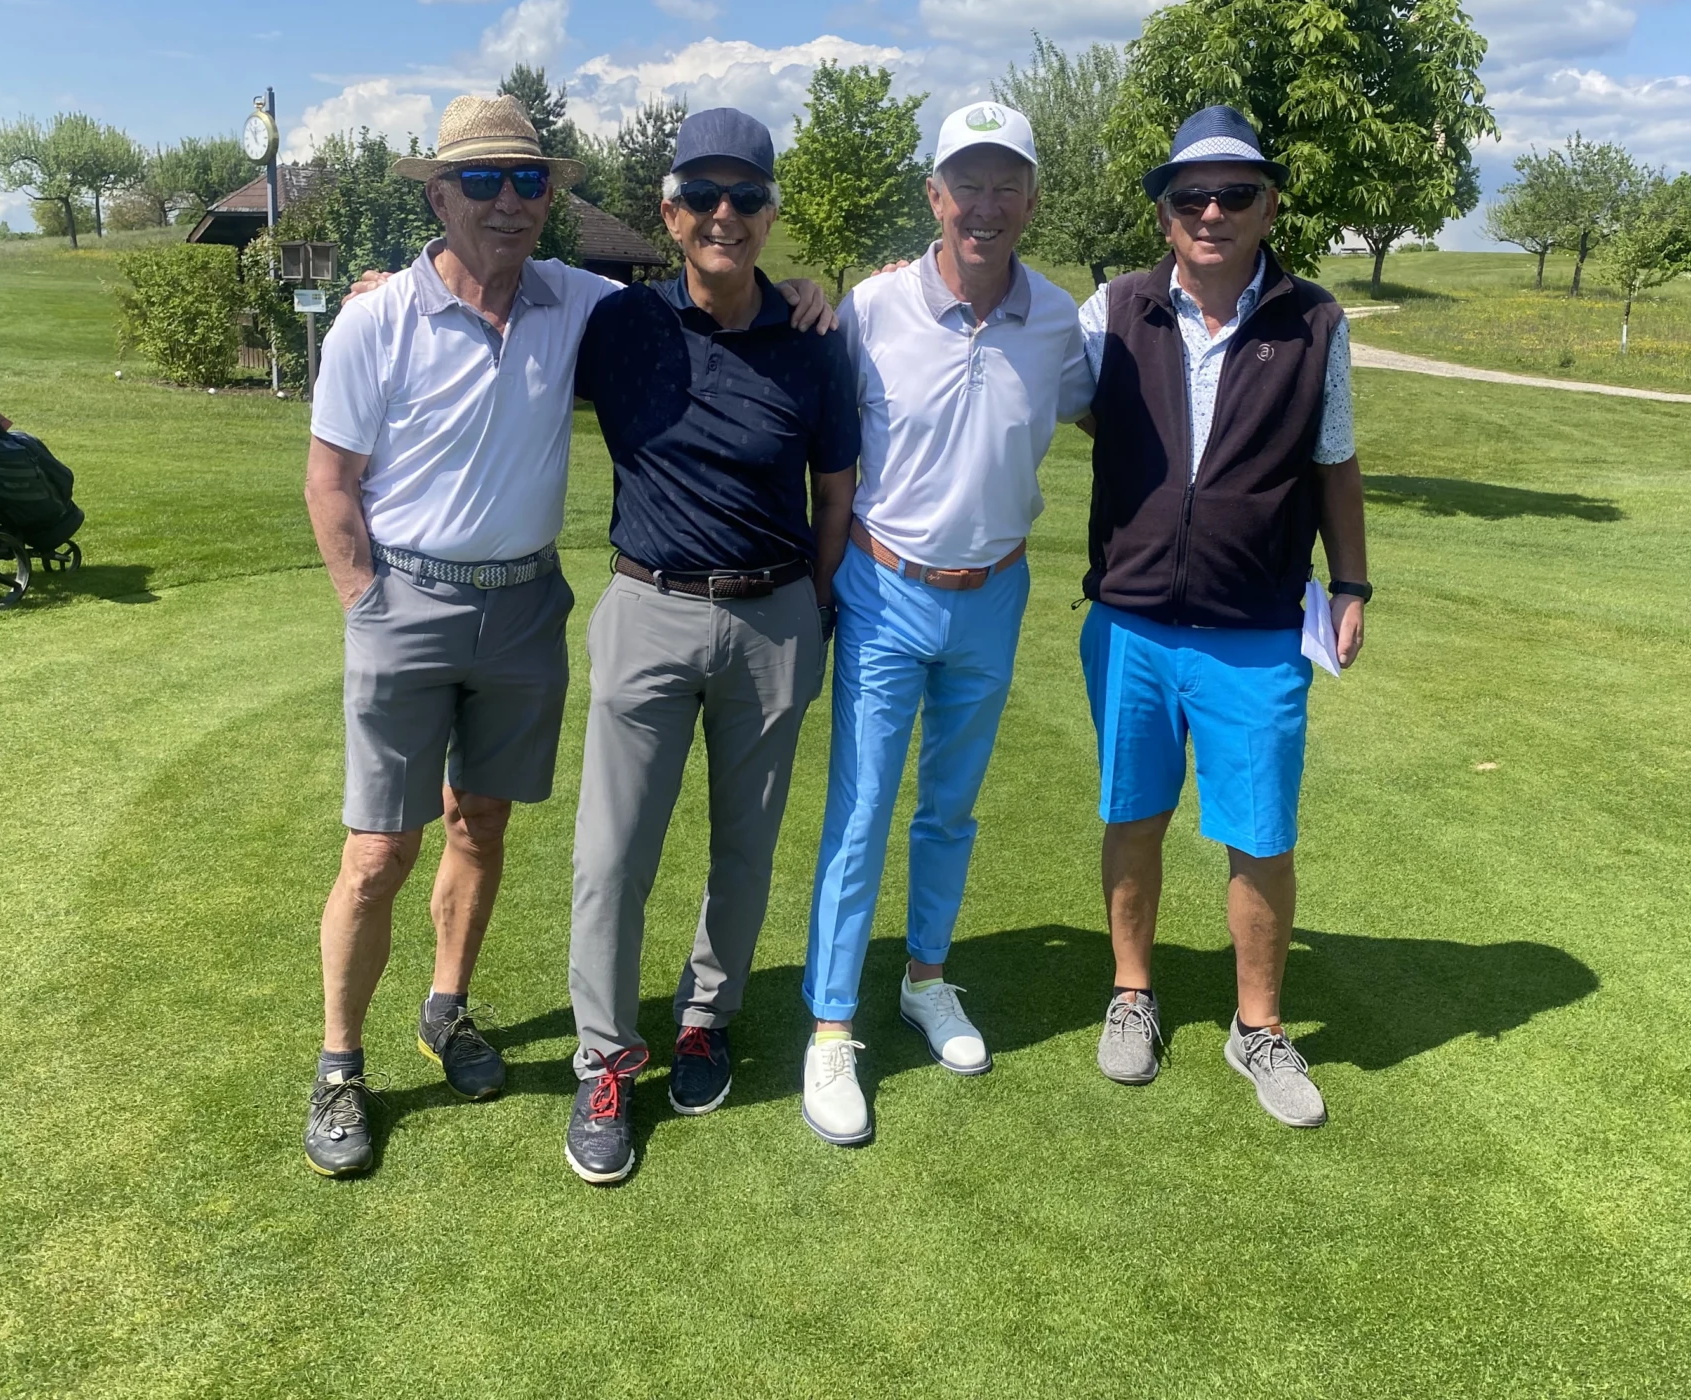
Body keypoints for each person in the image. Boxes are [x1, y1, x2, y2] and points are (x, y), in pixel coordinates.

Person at [300, 95, 829, 1178]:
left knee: (479, 824)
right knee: (378, 852)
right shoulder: (381, 317)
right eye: (481, 180)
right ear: (438, 195)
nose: (508, 201)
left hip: (526, 605)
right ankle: (340, 1066)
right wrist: (368, 608)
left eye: (528, 180)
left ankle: (447, 1010)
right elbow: (329, 482)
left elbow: (722, 297)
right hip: (409, 603)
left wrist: (812, 293)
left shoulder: (582, 303)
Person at [560, 109, 858, 1185]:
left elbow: (835, 495)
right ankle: (604, 1060)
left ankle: (704, 1019)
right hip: (647, 606)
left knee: (744, 847)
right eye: (701, 196)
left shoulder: (814, 338)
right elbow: (495, 299)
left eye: (745, 197)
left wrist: (809, 608)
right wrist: (387, 286)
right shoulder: (617, 322)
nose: (722, 215)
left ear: (770, 213)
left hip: (774, 616)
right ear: (669, 211)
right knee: (611, 856)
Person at [798, 102, 1094, 1147]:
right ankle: (832, 1026)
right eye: (966, 183)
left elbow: (1127, 403)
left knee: (951, 809)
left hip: (995, 593)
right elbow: (804, 400)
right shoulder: (871, 308)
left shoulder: (1058, 322)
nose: (985, 203)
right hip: (884, 588)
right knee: (862, 809)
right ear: (934, 197)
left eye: (1006, 183)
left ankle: (926, 978)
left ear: (1031, 200)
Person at [1076, 105, 1369, 1128]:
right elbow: (1035, 378)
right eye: (1190, 195)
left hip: (1256, 631)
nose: (1211, 211)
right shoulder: (1112, 308)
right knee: (1132, 814)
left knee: (1260, 835)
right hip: (1129, 622)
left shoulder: (1315, 322)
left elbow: (1334, 463)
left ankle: (1259, 1027)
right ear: (1164, 212)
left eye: (1234, 193)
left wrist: (1350, 584)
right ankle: (1131, 994)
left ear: (1268, 207)